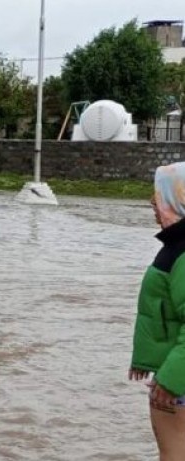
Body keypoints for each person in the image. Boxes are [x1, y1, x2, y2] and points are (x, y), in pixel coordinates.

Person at [129, 162, 185, 459]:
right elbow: (163, 312)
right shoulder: (177, 244)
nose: (152, 201)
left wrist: (172, 379)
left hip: (177, 382)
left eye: (159, 193)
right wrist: (147, 359)